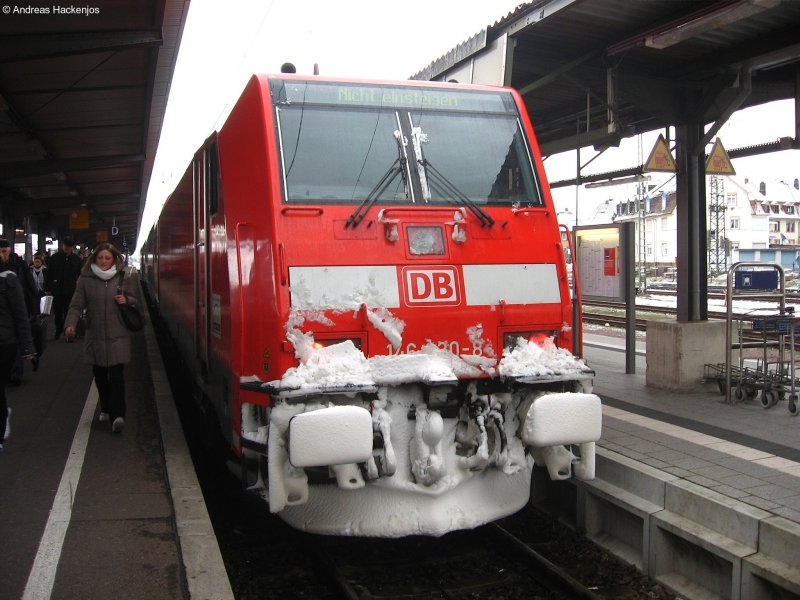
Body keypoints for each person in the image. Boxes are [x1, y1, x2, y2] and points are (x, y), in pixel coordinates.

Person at [64, 243, 136, 433]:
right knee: (101, 377)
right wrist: (70, 324)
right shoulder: (85, 279)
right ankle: (105, 407)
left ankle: (118, 416)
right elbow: (76, 305)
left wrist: (126, 300)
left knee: (117, 377)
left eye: (107, 258)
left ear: (114, 260)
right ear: (94, 259)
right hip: (95, 334)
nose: (103, 261)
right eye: (100, 258)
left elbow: (135, 300)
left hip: (118, 334)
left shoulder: (124, 277)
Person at [0, 262, 36, 451]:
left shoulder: (8, 280)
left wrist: (27, 347)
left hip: (5, 342)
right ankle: (4, 413)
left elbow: (21, 315)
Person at [0, 239, 39, 383]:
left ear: (9, 251)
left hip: (21, 305)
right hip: (6, 314)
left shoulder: (19, 265)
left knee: (17, 336)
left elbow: (30, 284)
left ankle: (17, 371)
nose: (2, 255)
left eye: (4, 251)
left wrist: (35, 307)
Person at [45, 237, 82, 340]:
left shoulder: (76, 259)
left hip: (71, 290)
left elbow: (80, 275)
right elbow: (49, 274)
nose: (67, 248)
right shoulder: (54, 258)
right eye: (66, 246)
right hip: (57, 290)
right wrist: (48, 288)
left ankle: (67, 331)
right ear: (63, 246)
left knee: (68, 311)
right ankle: (58, 329)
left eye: (69, 246)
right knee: (57, 312)